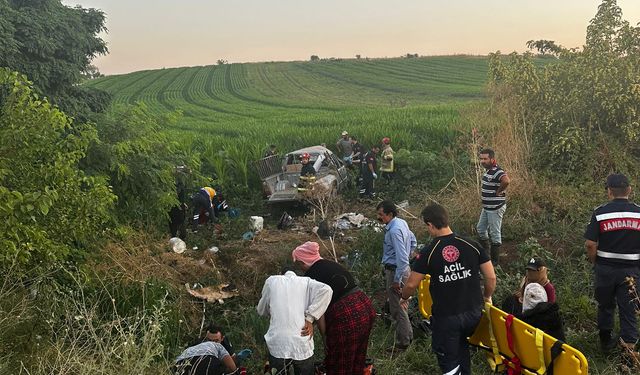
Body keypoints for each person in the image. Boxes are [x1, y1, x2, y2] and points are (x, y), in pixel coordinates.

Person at [401, 202, 496, 375]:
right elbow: (490, 277)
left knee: (449, 361)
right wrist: (487, 296)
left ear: (430, 224)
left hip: (447, 318)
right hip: (473, 314)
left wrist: (404, 297)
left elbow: (411, 284)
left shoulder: (429, 252)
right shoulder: (471, 244)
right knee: (462, 349)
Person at [292, 241, 376, 375]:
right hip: (364, 305)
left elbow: (319, 312)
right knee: (357, 358)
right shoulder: (330, 264)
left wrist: (325, 338)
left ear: (303, 262)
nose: (300, 268)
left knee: (339, 362)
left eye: (299, 264)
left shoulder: (312, 276)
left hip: (347, 314)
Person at [585, 173, 640, 354]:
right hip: (632, 270)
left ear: (609, 192)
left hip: (605, 269)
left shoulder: (600, 213)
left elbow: (591, 244)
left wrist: (596, 263)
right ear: (629, 190)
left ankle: (606, 342)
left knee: (605, 305)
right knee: (629, 309)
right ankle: (629, 354)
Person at [257, 268, 332, 375]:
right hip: (302, 343)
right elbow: (327, 290)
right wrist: (310, 318)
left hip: (278, 343)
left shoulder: (271, 281)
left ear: (281, 274)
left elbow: (261, 310)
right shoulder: (306, 281)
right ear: (297, 274)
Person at [377, 200, 417, 353]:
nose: (379, 218)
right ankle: (408, 336)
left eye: (381, 215)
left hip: (396, 271)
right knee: (402, 306)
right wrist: (409, 253)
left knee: (397, 308)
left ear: (390, 214)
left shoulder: (394, 230)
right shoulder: (401, 223)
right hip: (401, 269)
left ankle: (403, 343)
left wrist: (396, 280)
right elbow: (413, 241)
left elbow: (401, 258)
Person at [477, 148, 510, 265]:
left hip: (495, 208)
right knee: (481, 229)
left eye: (485, 159)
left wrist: (499, 191)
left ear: (492, 159)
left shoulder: (497, 171)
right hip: (487, 207)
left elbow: (506, 181)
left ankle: (495, 263)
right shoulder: (488, 170)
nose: (482, 161)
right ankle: (485, 256)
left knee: (495, 234)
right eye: (481, 159)